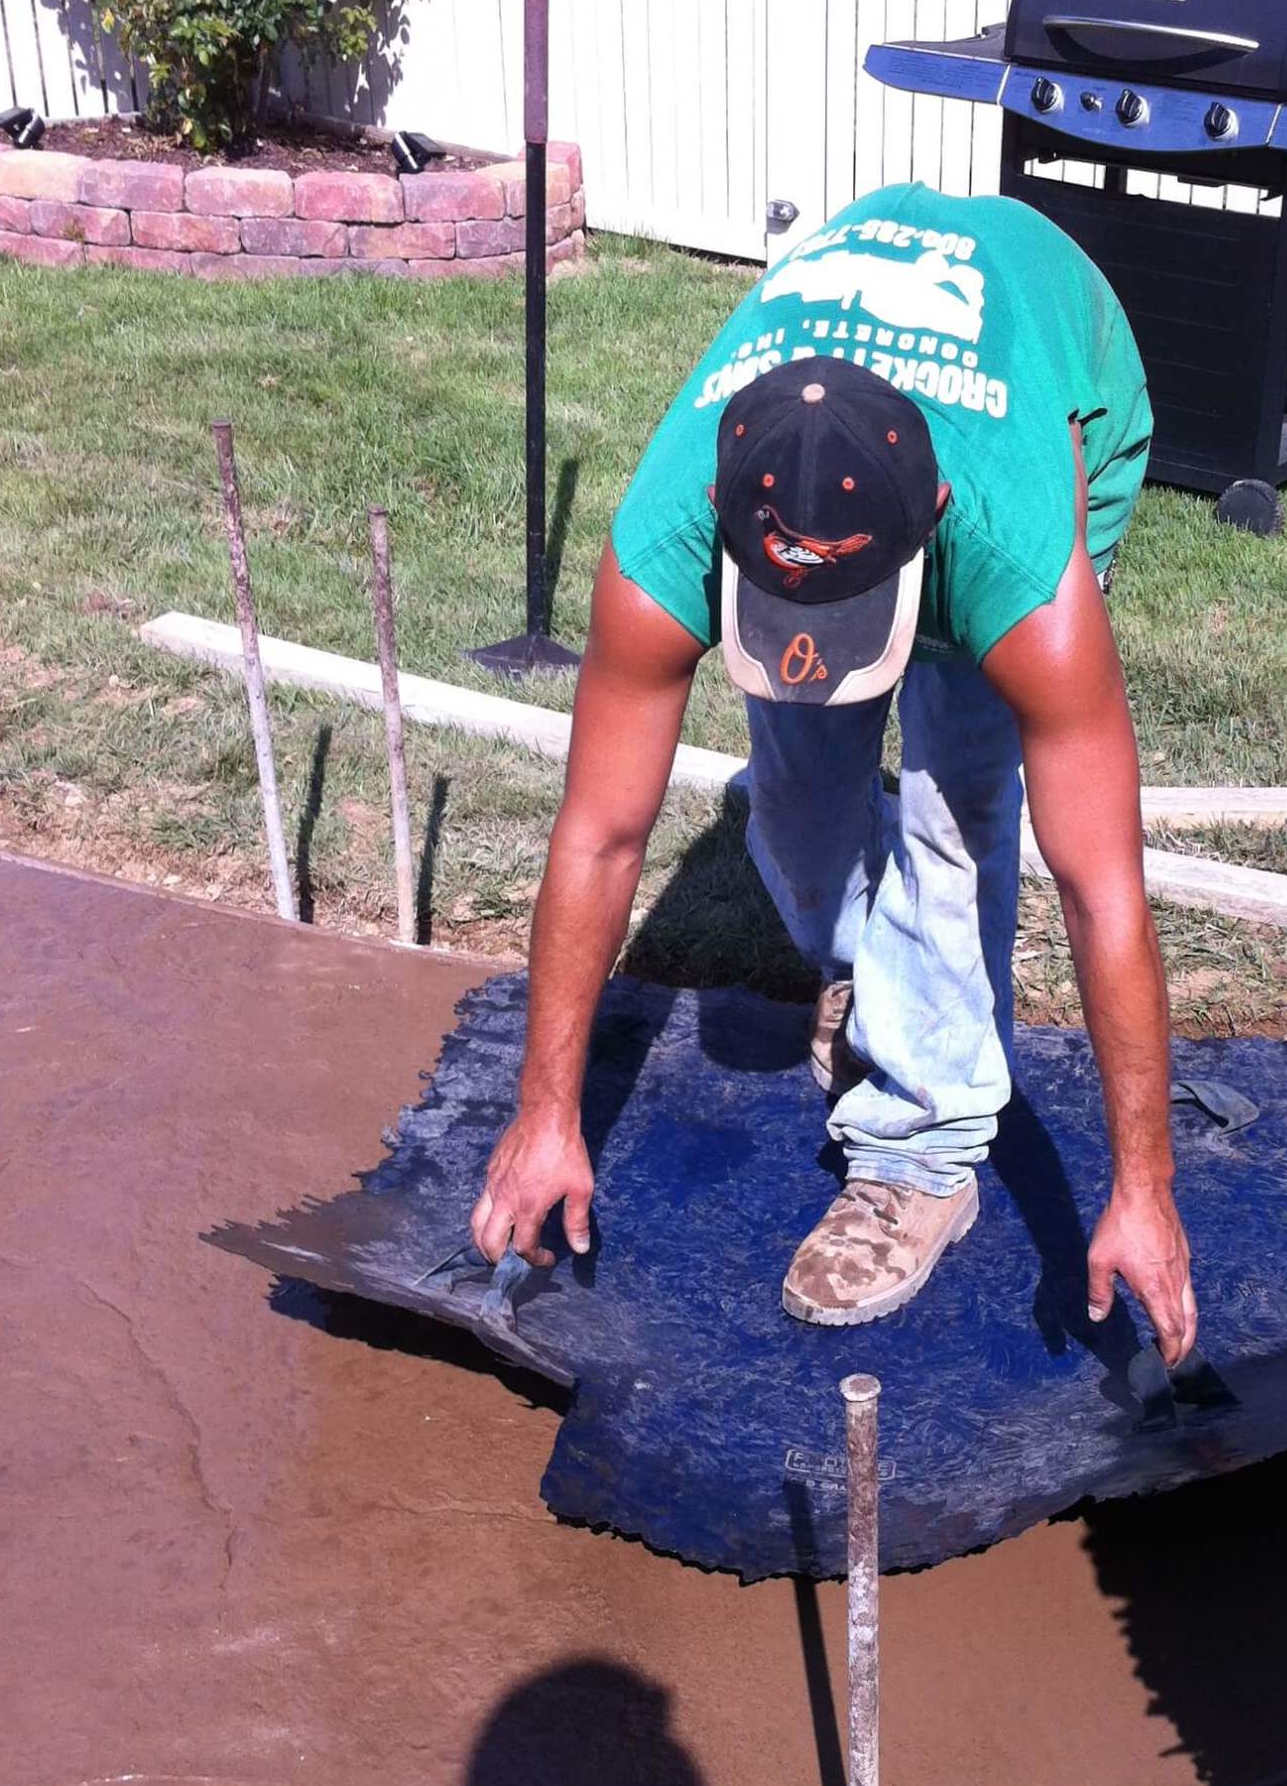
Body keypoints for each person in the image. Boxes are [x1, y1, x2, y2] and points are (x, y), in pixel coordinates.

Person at [471, 180, 1198, 1364]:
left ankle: (921, 1153)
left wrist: (1144, 1187)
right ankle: (873, 979)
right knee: (802, 813)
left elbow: (1101, 885)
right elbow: (601, 832)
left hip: (1062, 368)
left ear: (938, 519)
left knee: (959, 805)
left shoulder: (1015, 553)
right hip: (875, 388)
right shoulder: (669, 533)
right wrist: (545, 1114)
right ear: (723, 509)